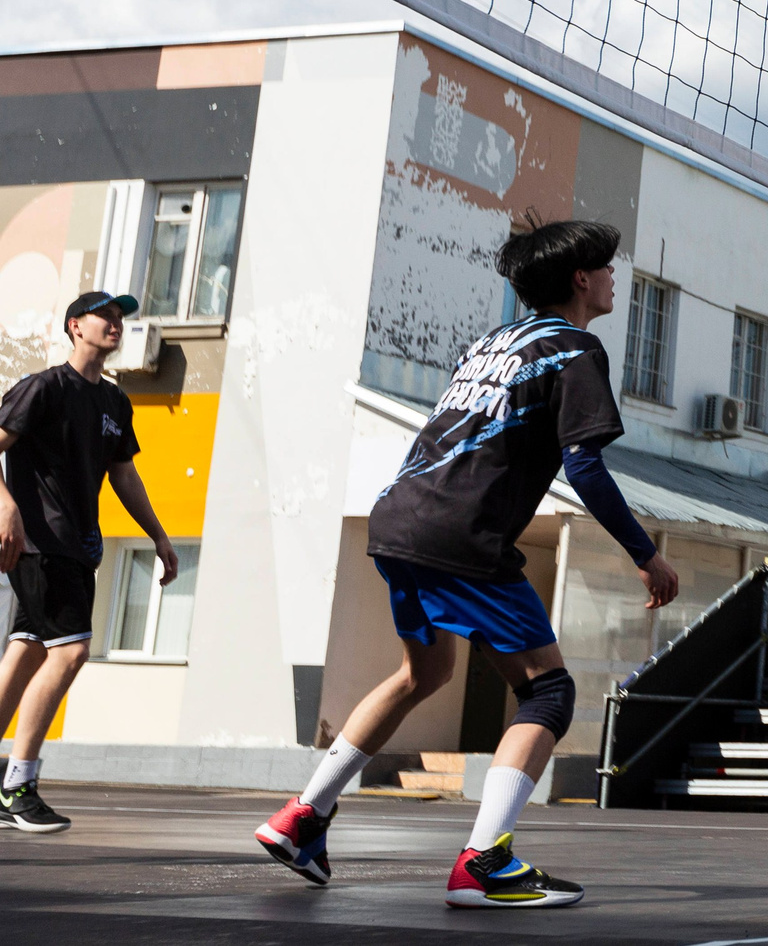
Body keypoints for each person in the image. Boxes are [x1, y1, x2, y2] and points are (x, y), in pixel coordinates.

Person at [256, 219, 678, 904]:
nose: (612, 278)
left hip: (399, 517)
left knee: (423, 671)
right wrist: (645, 553)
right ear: (580, 278)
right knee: (548, 690)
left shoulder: (492, 343)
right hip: (462, 533)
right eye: (605, 267)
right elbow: (586, 467)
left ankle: (302, 817)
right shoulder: (574, 350)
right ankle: (483, 862)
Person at [0, 291, 180, 834]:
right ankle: (18, 785)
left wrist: (160, 537)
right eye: (105, 316)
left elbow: (124, 475)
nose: (116, 325)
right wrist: (5, 504)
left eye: (121, 318)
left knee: (28, 652)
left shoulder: (114, 403)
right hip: (40, 542)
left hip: (78, 547)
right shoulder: (43, 388)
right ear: (75, 326)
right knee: (73, 650)